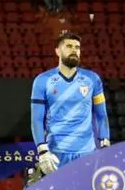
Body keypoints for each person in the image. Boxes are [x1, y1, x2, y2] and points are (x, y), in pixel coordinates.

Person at [31, 31, 110, 176]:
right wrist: (42, 150)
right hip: (56, 153)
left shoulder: (92, 79)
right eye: (69, 46)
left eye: (77, 47)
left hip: (87, 152)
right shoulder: (42, 81)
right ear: (57, 51)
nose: (74, 50)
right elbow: (36, 119)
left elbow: (101, 114)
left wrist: (105, 142)